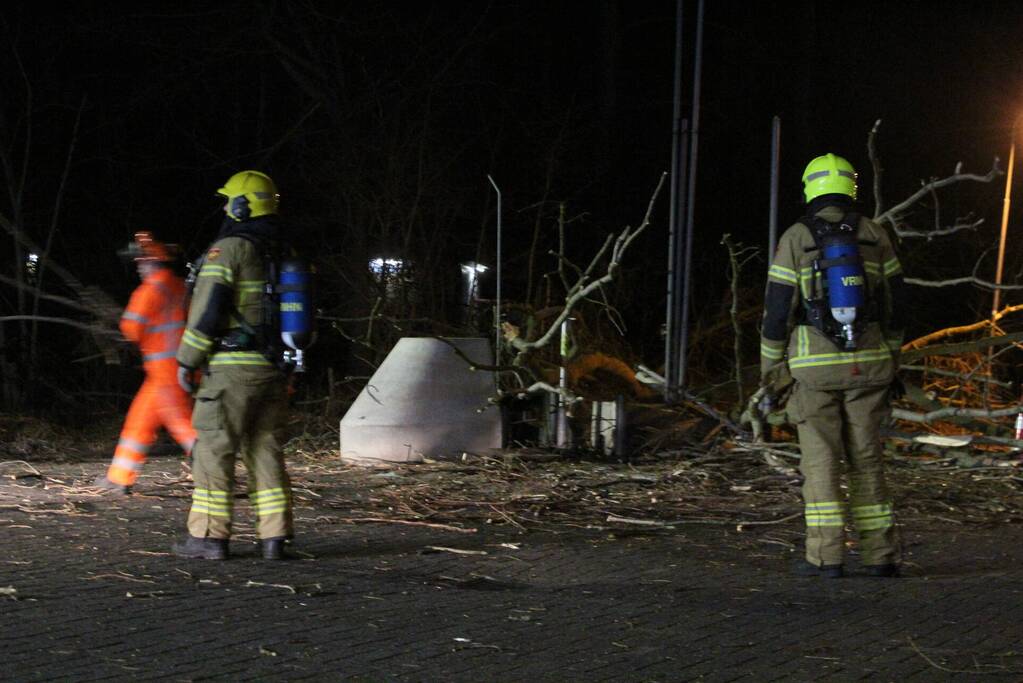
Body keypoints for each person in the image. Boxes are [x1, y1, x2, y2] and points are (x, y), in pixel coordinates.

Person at [760, 153, 906, 578]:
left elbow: (776, 313)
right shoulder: (875, 235)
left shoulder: (796, 238)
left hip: (814, 373)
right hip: (870, 368)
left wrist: (772, 374)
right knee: (867, 461)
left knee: (821, 464)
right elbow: (898, 304)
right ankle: (881, 556)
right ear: (850, 187)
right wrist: (890, 357)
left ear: (811, 187)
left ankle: (826, 559)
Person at [171, 170, 294, 561]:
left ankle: (209, 537)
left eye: (229, 200)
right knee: (266, 450)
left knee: (214, 451)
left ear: (242, 206)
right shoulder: (283, 251)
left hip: (230, 370)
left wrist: (186, 361)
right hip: (274, 369)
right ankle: (274, 539)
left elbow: (206, 312)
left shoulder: (230, 250)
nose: (225, 206)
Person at [94, 232, 196, 494]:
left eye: (142, 262)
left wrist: (114, 321)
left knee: (183, 426)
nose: (139, 267)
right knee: (139, 420)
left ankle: (216, 474)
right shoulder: (181, 287)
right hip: (181, 368)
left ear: (153, 263)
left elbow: (131, 330)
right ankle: (118, 477)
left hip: (165, 373)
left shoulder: (149, 290)